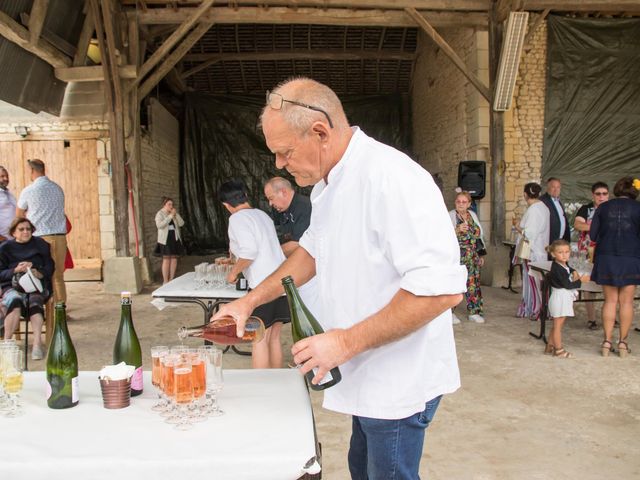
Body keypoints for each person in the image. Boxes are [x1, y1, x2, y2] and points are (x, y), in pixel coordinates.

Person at [213, 78, 466, 479]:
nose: (279, 164)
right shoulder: (328, 188)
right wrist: (248, 302)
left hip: (397, 380)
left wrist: (344, 342)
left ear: (320, 132)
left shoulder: (392, 178)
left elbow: (440, 292)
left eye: (285, 152)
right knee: (360, 470)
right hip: (364, 373)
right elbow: (310, 255)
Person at [218, 179, 291, 369]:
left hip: (262, 286)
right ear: (245, 196)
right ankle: (276, 383)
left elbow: (249, 252)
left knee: (258, 339)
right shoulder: (262, 215)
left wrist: (233, 273)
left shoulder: (237, 218)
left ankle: (261, 388)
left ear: (226, 205)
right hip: (281, 282)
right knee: (274, 337)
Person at [589, 176, 640, 358]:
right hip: (631, 258)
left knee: (609, 301)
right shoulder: (638, 208)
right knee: (627, 302)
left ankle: (606, 342)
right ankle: (623, 344)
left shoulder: (603, 207)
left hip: (607, 257)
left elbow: (593, 235)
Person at [0, 217, 53, 360]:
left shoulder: (40, 244)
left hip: (35, 285)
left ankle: (37, 343)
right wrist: (15, 270)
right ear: (13, 232)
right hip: (12, 285)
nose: (25, 232)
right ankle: (7, 344)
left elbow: (50, 266)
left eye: (28, 229)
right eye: (21, 229)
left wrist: (39, 272)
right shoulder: (5, 248)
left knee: (35, 302)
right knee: (15, 301)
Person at [15, 159, 66, 308]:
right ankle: (60, 311)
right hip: (59, 237)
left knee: (38, 273)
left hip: (39, 238)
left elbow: (19, 216)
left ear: (32, 171)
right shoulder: (57, 189)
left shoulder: (28, 190)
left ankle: (39, 308)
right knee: (58, 276)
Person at [545, 240, 590, 358]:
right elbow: (568, 285)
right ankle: (558, 350)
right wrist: (581, 281)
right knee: (558, 326)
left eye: (567, 252)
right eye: (560, 252)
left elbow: (568, 268)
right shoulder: (556, 268)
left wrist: (574, 271)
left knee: (558, 324)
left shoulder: (563, 265)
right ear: (554, 254)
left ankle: (549, 346)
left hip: (563, 297)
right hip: (559, 297)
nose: (564, 255)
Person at [573, 181, 609, 330]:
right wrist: (597, 226)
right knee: (588, 285)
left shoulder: (611, 209)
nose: (601, 197)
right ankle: (592, 319)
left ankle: (613, 317)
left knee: (611, 284)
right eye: (598, 194)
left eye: (604, 194)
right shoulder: (586, 209)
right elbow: (578, 225)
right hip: (588, 252)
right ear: (593, 195)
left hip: (607, 251)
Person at [513, 182, 550, 320]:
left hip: (533, 250)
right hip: (540, 249)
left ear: (525, 194)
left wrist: (518, 228)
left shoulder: (534, 210)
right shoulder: (544, 208)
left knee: (533, 281)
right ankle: (539, 307)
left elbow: (529, 233)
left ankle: (535, 308)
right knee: (538, 281)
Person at [449, 190, 486, 324]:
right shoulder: (451, 216)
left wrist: (481, 254)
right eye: (458, 201)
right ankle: (450, 313)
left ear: (469, 203)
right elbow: (442, 236)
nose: (461, 204)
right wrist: (456, 230)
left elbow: (479, 236)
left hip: (473, 256)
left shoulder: (472, 215)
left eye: (464, 202)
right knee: (455, 284)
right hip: (457, 256)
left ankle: (473, 312)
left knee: (473, 284)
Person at [264, 176, 312, 257]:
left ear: (284, 192)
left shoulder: (304, 207)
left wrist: (269, 254)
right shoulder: (280, 210)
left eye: (271, 198)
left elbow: (299, 244)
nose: (270, 204)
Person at [154, 197, 185, 284]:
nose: (171, 206)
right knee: (166, 260)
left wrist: (176, 215)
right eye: (169, 204)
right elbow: (159, 225)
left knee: (174, 259)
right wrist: (170, 216)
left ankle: (171, 279)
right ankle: (165, 280)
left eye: (172, 204)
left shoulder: (173, 213)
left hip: (174, 238)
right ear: (164, 205)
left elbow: (182, 223)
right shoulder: (160, 214)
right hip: (165, 239)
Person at [540, 177, 571, 245]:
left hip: (560, 242)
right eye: (553, 187)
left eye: (558, 187)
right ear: (547, 188)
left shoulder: (558, 201)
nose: (556, 190)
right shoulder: (542, 201)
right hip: (548, 243)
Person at [0, 166, 16, 242]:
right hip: (3, 240)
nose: (6, 179)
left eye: (7, 176)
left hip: (12, 239)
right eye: (2, 176)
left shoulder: (9, 193)